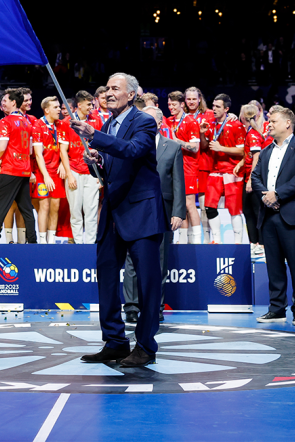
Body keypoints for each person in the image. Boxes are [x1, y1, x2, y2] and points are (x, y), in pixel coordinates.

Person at [71, 73, 166, 368]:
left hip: (141, 214)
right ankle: (114, 341)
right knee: (107, 277)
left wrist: (94, 137)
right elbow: (115, 163)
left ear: (132, 94)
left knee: (147, 284)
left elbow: (134, 151)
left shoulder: (144, 121)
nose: (109, 93)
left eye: (115, 89)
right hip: (112, 213)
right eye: (107, 89)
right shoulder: (108, 124)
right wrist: (99, 162)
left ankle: (146, 346)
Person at [251, 106, 295, 326]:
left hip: (293, 215)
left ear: (288, 123)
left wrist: (276, 195)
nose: (268, 124)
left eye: (273, 121)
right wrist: (266, 197)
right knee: (274, 266)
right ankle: (277, 309)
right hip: (269, 215)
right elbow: (255, 176)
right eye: (268, 121)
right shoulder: (266, 151)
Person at [123, 108, 185, 323]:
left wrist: (178, 212)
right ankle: (131, 307)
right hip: (135, 210)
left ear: (159, 124)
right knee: (132, 259)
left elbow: (178, 182)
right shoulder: (131, 145)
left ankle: (155, 307)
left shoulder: (173, 147)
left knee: (160, 261)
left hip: (163, 211)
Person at [0, 88, 38, 244]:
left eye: (5, 101)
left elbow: (1, 147)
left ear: (14, 103)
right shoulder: (27, 123)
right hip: (24, 170)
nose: (2, 103)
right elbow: (29, 150)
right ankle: (33, 242)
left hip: (10, 169)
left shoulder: (5, 122)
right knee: (27, 210)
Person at [204, 93, 247, 244]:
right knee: (209, 206)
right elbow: (205, 145)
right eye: (213, 106)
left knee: (234, 209)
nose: (214, 109)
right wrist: (203, 135)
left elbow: (243, 151)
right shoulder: (210, 124)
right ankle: (216, 240)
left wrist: (221, 147)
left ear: (226, 109)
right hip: (215, 171)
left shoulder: (236, 125)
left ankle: (238, 242)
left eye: (217, 107)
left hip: (232, 171)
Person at [31, 96, 72, 244]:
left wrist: (62, 163)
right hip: (43, 172)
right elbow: (38, 154)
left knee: (55, 206)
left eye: (59, 107)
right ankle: (42, 241)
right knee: (44, 205)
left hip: (57, 171)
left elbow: (64, 150)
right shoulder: (37, 126)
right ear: (46, 110)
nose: (59, 110)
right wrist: (46, 176)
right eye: (56, 107)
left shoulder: (61, 125)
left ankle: (51, 239)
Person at [166, 91, 202, 244]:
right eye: (169, 105)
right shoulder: (169, 121)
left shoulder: (191, 122)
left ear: (182, 104)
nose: (171, 107)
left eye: (174, 105)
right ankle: (182, 239)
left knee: (189, 204)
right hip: (174, 166)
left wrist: (176, 141)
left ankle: (196, 240)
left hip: (188, 167)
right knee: (179, 203)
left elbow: (195, 147)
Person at [65, 91, 100, 244]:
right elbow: (62, 151)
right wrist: (69, 175)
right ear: (79, 105)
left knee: (91, 212)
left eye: (92, 104)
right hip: (74, 171)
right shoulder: (67, 122)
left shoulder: (97, 121)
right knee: (75, 212)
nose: (91, 107)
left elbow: (102, 148)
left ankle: (91, 245)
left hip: (92, 173)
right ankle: (79, 244)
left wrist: (100, 175)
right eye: (88, 104)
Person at [186, 87, 217, 242]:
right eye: (188, 99)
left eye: (194, 99)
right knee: (187, 205)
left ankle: (206, 239)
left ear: (200, 99)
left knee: (205, 205)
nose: (191, 102)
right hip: (186, 165)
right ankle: (190, 239)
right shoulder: (181, 116)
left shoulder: (210, 114)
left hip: (204, 163)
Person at [235, 104, 266, 258]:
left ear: (243, 117)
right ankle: (254, 243)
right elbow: (249, 155)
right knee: (248, 212)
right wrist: (241, 163)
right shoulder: (250, 132)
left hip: (253, 180)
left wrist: (250, 181)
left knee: (256, 212)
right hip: (248, 177)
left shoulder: (253, 134)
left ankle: (260, 244)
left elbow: (256, 157)